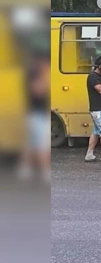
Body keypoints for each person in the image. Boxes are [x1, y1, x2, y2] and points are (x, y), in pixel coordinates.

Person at [17, 48, 51, 182]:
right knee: (41, 144)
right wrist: (44, 75)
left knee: (30, 144)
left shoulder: (34, 74)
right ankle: (45, 172)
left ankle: (24, 170)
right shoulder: (34, 75)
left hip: (35, 114)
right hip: (37, 114)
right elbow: (38, 91)